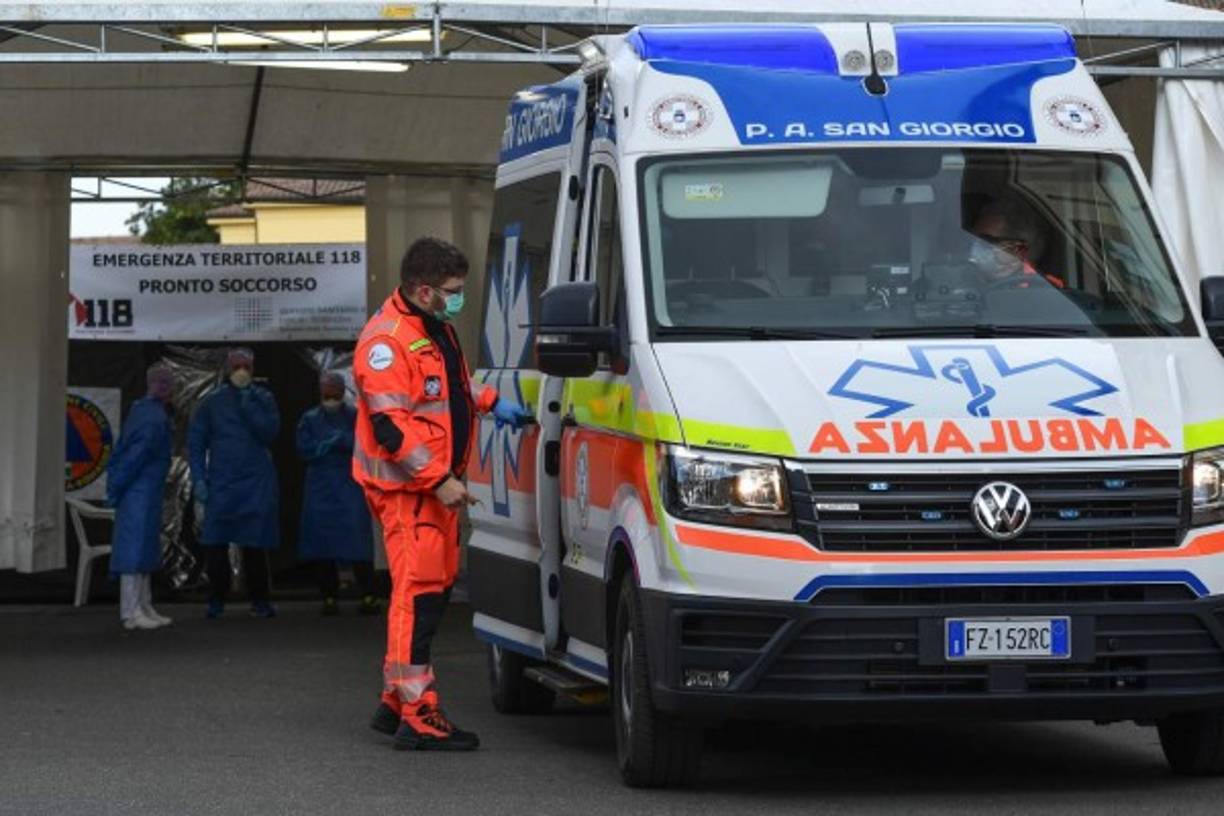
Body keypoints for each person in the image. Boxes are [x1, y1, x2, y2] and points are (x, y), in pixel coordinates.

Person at [354, 237, 532, 752]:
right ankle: (418, 713)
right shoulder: (385, 342)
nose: (459, 298)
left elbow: (451, 386)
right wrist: (438, 479)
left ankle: (395, 700)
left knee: (423, 592)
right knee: (421, 598)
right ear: (424, 289)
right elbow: (392, 428)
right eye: (452, 291)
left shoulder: (433, 329)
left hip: (430, 488)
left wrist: (492, 402)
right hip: (411, 490)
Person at [188, 347, 281, 620]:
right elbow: (196, 444)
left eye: (246, 367)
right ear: (228, 371)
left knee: (254, 544)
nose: (242, 372)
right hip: (223, 481)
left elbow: (270, 432)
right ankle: (217, 598)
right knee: (216, 543)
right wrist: (199, 479)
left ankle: (260, 600)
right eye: (237, 367)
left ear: (252, 370)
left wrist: (249, 405)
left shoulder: (263, 398)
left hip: (254, 481)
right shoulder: (212, 403)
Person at [295, 370, 379, 616]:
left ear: (343, 392)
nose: (331, 396)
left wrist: (343, 440)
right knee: (323, 546)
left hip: (349, 486)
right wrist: (320, 447)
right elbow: (302, 448)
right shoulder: (309, 419)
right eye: (327, 392)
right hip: (321, 488)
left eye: (335, 392)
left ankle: (368, 593)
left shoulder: (355, 417)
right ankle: (329, 596)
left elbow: (366, 444)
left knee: (357, 543)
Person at [106, 363, 176, 631]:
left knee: (144, 548)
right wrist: (118, 486)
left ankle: (143, 605)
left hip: (143, 489)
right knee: (134, 550)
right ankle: (131, 611)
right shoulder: (153, 417)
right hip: (139, 489)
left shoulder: (144, 410)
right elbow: (136, 455)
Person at [968, 199, 1064, 289]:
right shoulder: (963, 277)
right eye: (974, 238)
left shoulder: (1046, 290)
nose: (974, 248)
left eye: (987, 241)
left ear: (1018, 249)